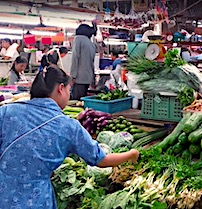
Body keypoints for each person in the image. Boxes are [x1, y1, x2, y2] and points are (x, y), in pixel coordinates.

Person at [0, 65, 140, 209]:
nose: (69, 94)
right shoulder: (68, 126)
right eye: (69, 90)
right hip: (36, 200)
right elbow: (101, 160)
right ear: (61, 88)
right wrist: (131, 154)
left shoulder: (6, 111)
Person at [70, 23, 97, 100]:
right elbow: (92, 62)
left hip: (79, 78)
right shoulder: (91, 44)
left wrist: (73, 76)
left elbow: (75, 58)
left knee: (76, 102)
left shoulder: (78, 39)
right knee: (82, 101)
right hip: (88, 78)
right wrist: (93, 79)